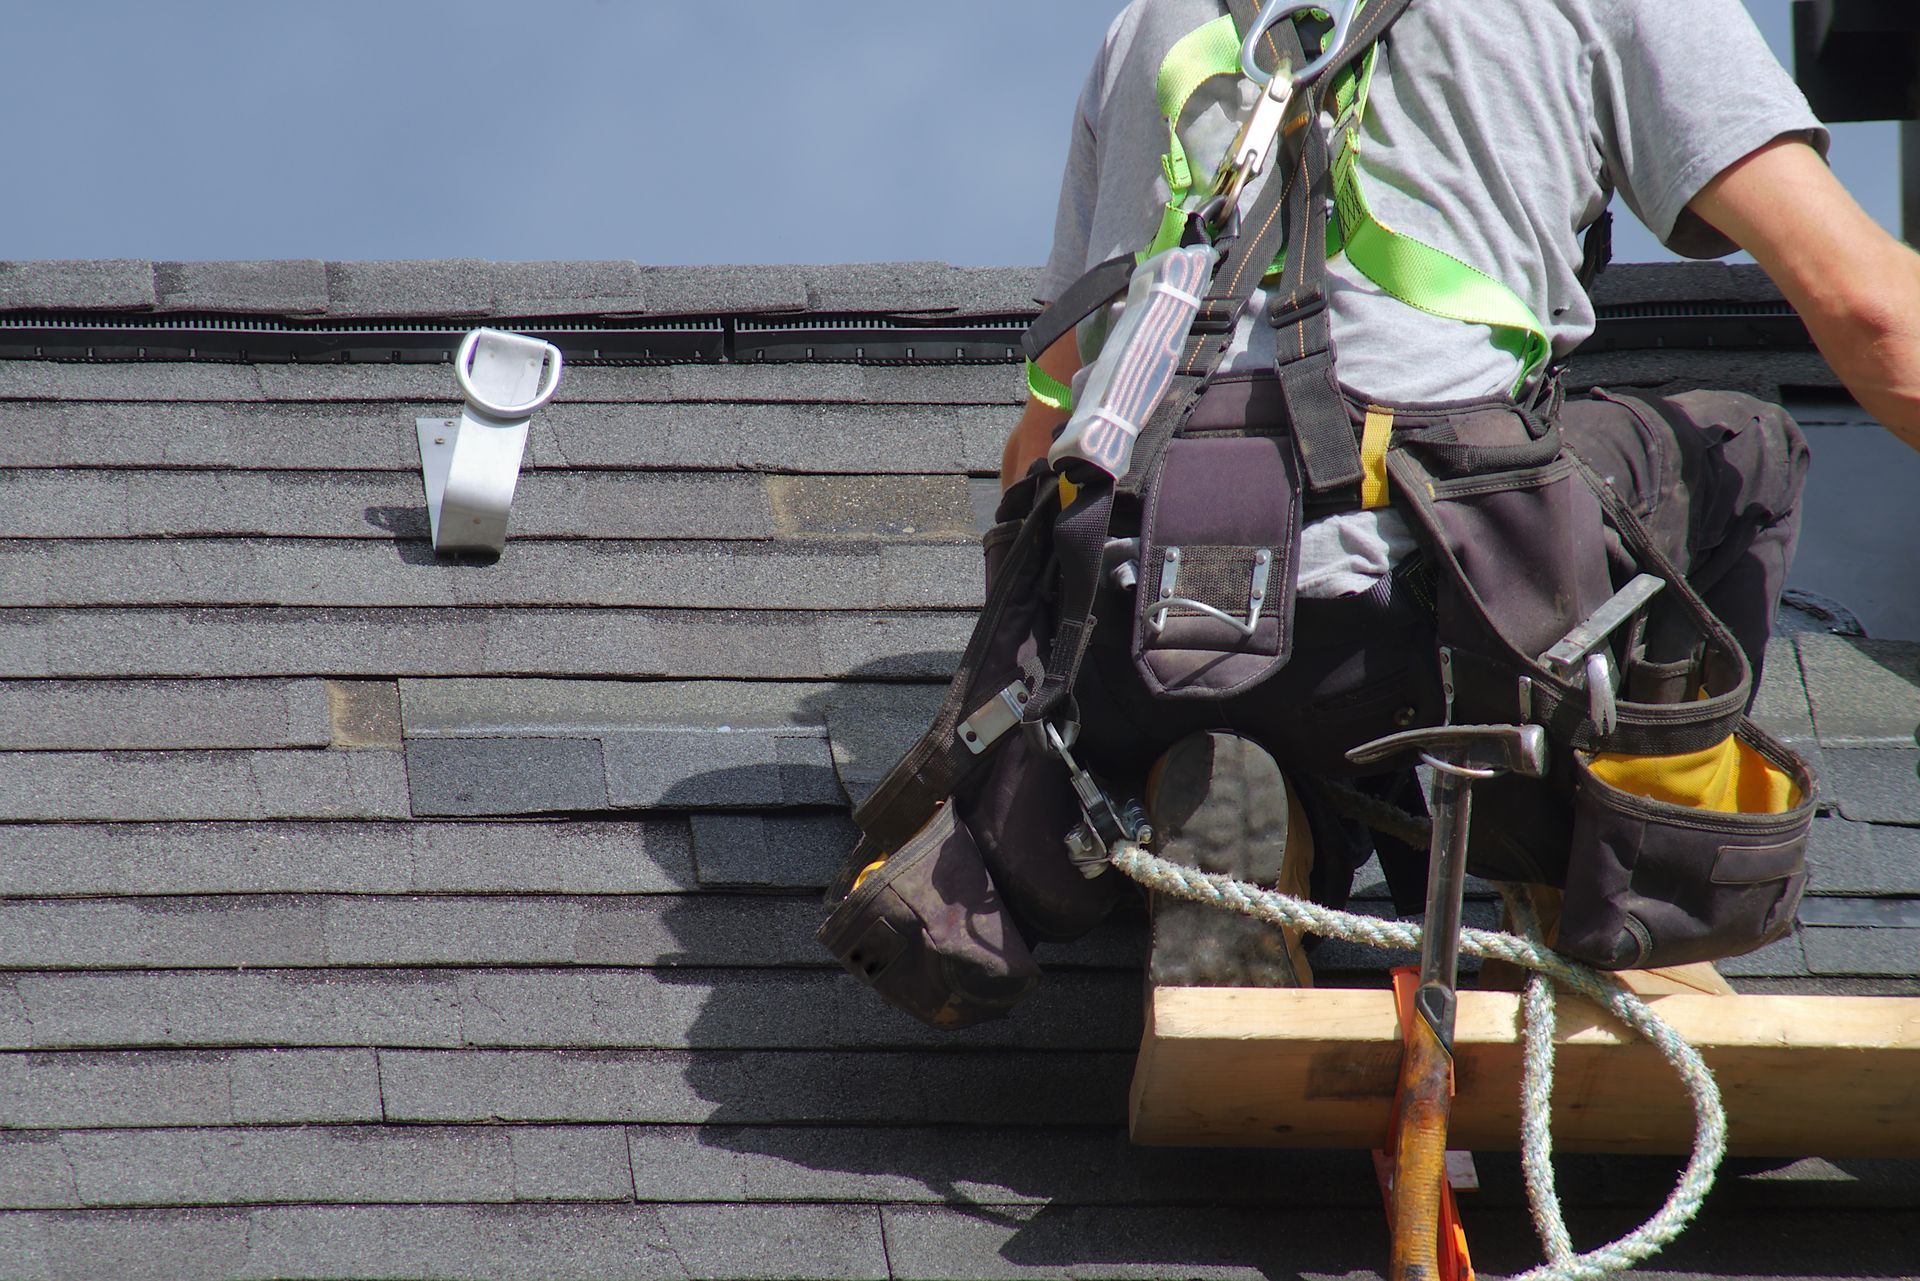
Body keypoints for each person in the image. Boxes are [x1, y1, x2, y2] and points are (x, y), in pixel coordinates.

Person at [1000, 0, 1916, 982]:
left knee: (1279, 651)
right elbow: (1870, 308)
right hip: (1444, 609)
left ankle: (1260, 824)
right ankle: (1627, 894)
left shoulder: (1147, 21)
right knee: (1748, 451)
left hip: (1133, 630)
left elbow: (1043, 434)